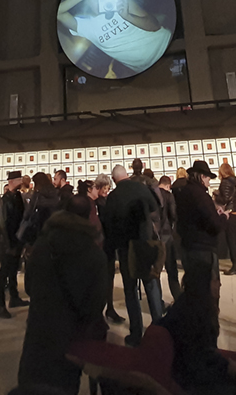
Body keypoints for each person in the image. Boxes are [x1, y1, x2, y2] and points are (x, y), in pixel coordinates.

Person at [16, 195, 108, 394]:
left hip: (39, 333)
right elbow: (95, 305)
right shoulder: (94, 254)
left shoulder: (42, 245)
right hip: (71, 339)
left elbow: (29, 286)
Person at [56, 0, 173, 79]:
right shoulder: (87, 26)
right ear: (87, 3)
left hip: (167, 46)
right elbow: (59, 12)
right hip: (147, 68)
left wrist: (127, 16)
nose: (100, 1)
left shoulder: (121, 3)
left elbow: (154, 26)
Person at [103, 164, 164, 346]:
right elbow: (155, 210)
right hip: (145, 244)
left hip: (125, 248)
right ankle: (159, 329)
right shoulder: (142, 188)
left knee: (130, 291)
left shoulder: (113, 196)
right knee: (152, 286)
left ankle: (136, 332)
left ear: (114, 180)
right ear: (127, 175)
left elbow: (110, 226)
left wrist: (111, 250)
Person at [173, 160, 227, 330]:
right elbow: (214, 224)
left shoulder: (184, 192)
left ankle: (193, 325)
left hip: (188, 246)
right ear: (202, 176)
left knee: (193, 289)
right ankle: (208, 327)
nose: (209, 181)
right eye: (208, 178)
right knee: (208, 292)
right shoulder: (200, 194)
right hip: (204, 248)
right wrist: (223, 217)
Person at [0, 171, 30, 319]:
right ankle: (0, 304)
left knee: (13, 270)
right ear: (11, 181)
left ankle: (14, 297)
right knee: (4, 272)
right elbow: (3, 223)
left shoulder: (17, 197)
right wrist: (8, 243)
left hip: (17, 239)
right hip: (9, 241)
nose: (21, 181)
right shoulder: (6, 200)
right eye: (18, 179)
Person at [93, 173, 125, 324]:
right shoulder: (96, 204)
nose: (106, 191)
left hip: (109, 244)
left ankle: (110, 308)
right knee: (101, 279)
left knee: (109, 278)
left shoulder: (105, 201)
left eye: (107, 188)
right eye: (104, 188)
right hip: (101, 246)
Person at [216, 163, 236, 275]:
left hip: (229, 212)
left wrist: (216, 195)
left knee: (231, 239)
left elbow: (225, 199)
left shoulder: (225, 182)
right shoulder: (233, 182)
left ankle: (235, 265)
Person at [157, 175, 182, 299]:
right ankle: (178, 298)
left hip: (155, 236)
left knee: (155, 272)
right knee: (172, 270)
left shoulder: (153, 194)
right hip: (167, 235)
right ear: (168, 185)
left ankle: (157, 302)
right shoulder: (169, 196)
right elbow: (173, 214)